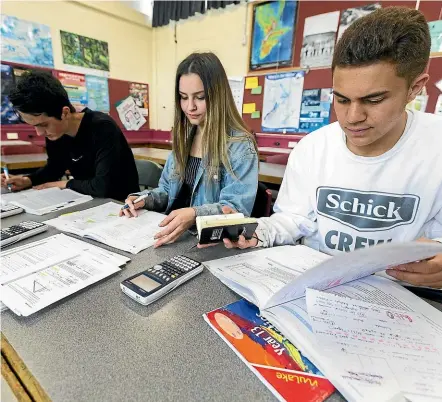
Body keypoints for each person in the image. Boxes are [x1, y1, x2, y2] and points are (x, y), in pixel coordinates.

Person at [218, 7, 442, 289]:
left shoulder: (436, 148)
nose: (352, 117)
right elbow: (294, 219)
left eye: (373, 100)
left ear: (415, 88)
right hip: (318, 289)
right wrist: (258, 231)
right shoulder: (312, 147)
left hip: (401, 298)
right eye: (342, 99)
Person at [120, 52, 259, 248]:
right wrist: (145, 199)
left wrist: (194, 215)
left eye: (200, 97)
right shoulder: (184, 136)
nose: (190, 107)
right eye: (183, 97)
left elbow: (235, 210)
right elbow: (167, 191)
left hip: (207, 246)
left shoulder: (240, 145)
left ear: (218, 96)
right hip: (171, 238)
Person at [0, 71, 139, 201]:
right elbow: (54, 168)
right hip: (86, 201)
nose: (39, 133)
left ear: (65, 113)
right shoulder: (56, 132)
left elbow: (103, 187)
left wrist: (64, 184)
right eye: (34, 126)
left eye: (43, 125)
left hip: (119, 204)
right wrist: (27, 180)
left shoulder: (103, 127)